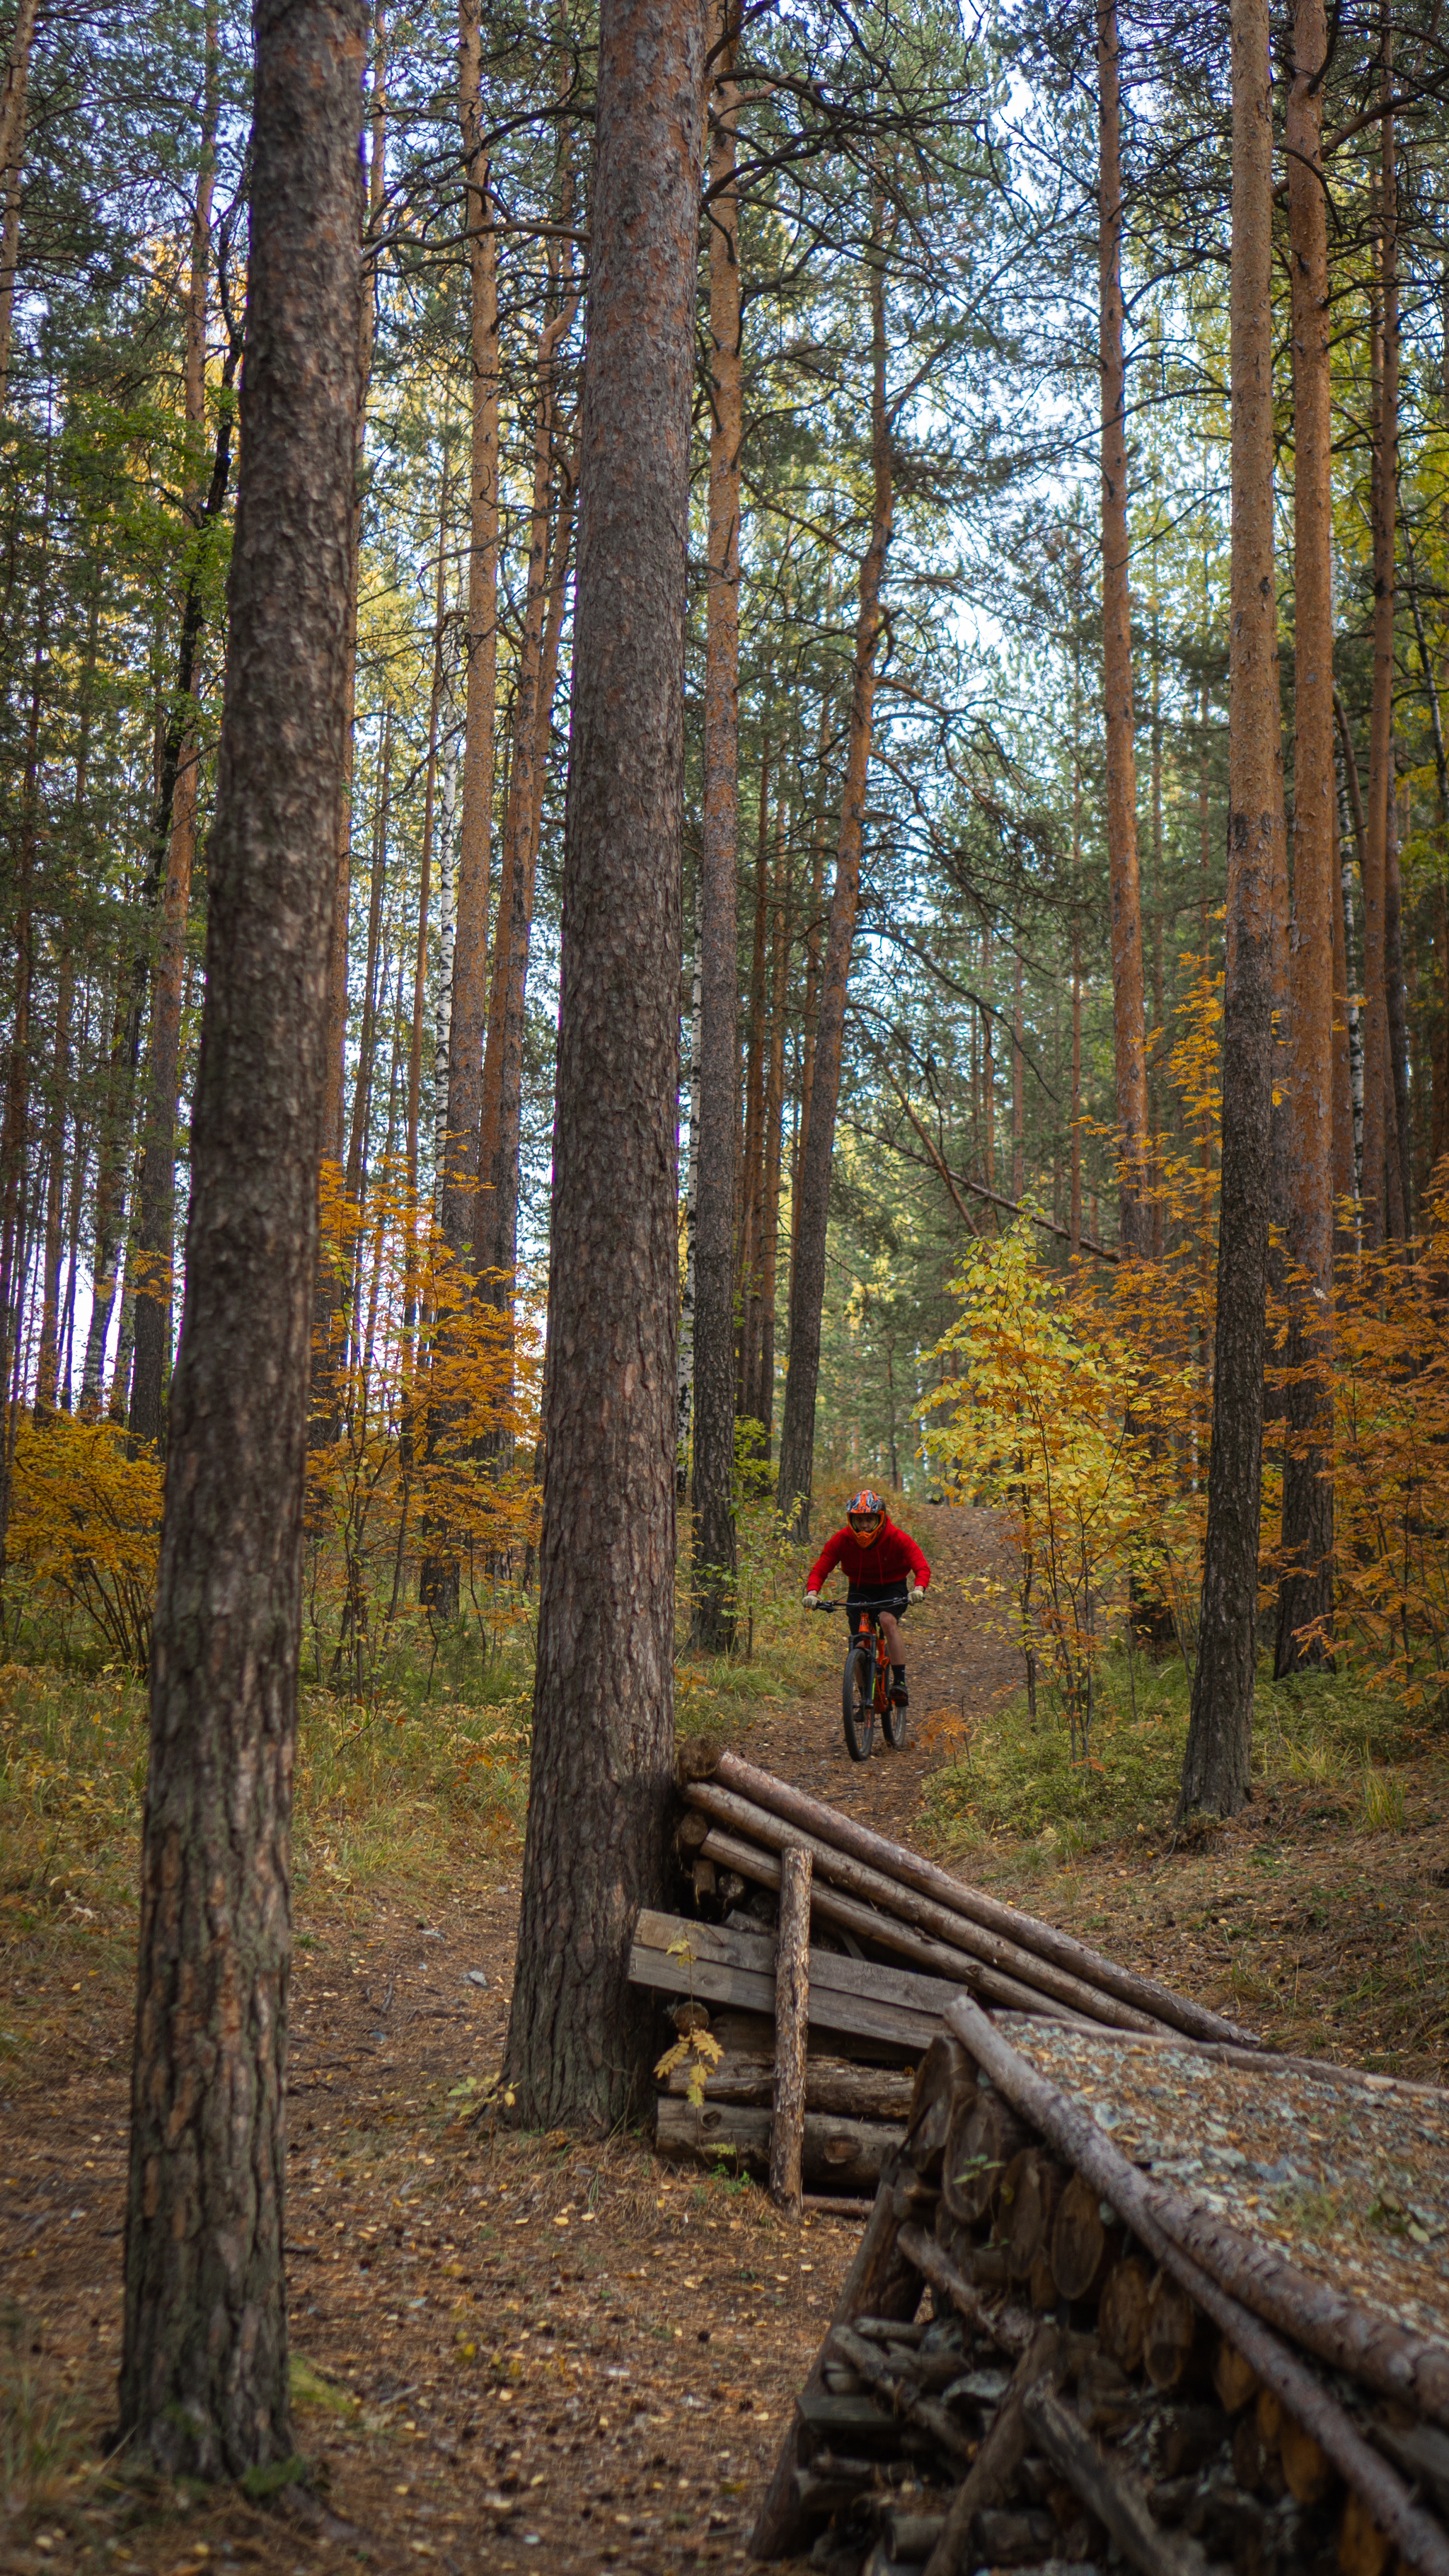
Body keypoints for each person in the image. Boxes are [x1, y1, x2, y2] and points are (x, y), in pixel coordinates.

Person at [802, 1488, 930, 1706]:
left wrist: (918, 1588)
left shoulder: (896, 1537)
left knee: (887, 1621)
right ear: (851, 1520)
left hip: (892, 1586)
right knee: (859, 1643)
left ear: (879, 1519)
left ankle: (899, 1682)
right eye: (859, 1520)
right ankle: (864, 1698)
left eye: (869, 1520)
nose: (864, 1526)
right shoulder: (842, 1540)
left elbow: (921, 1565)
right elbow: (820, 1569)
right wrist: (812, 1593)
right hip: (860, 1587)